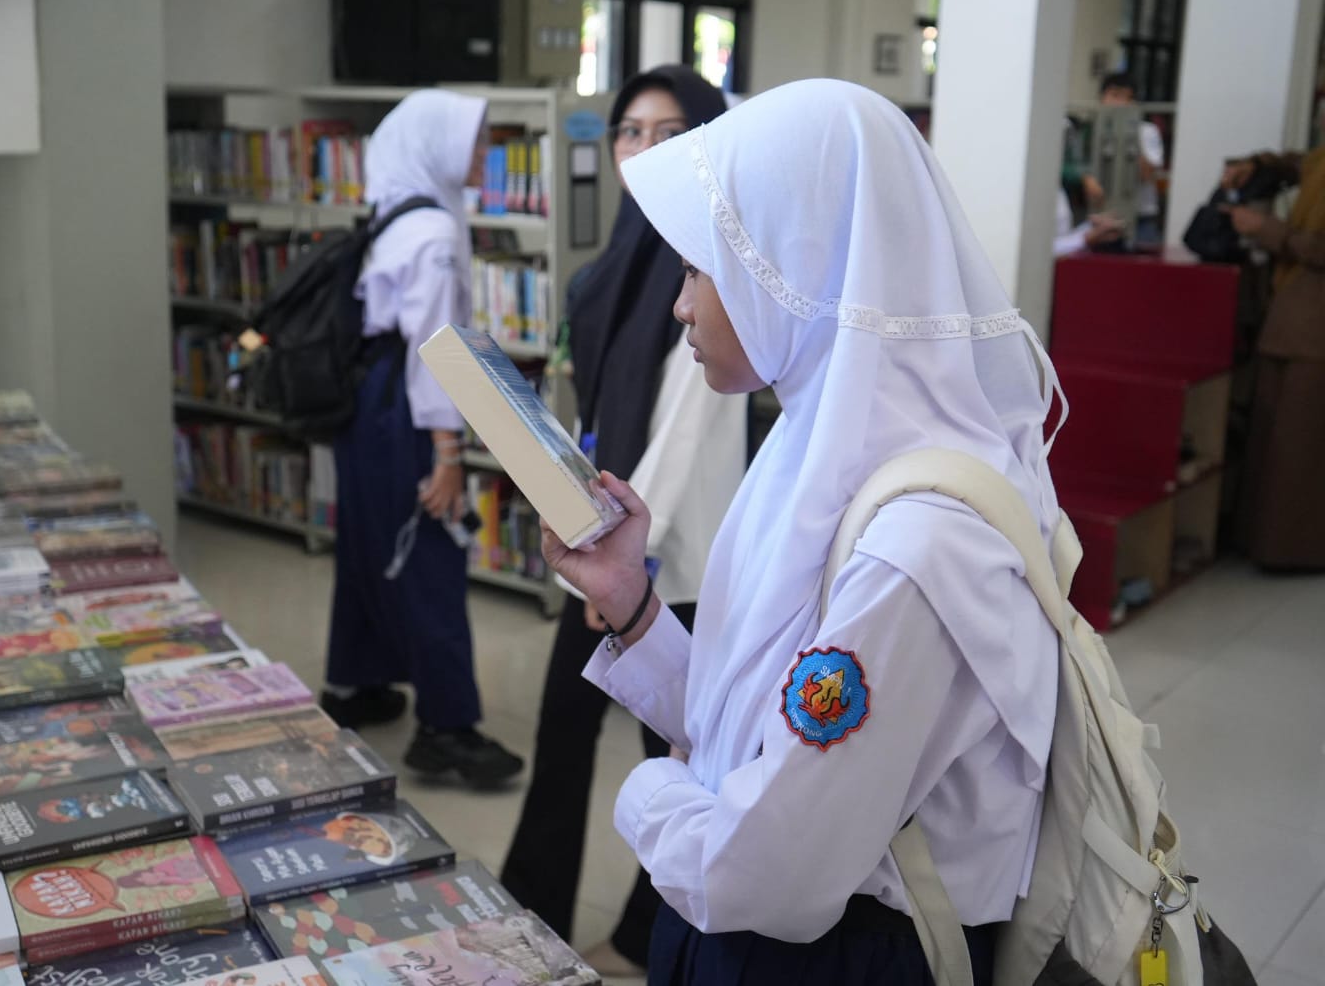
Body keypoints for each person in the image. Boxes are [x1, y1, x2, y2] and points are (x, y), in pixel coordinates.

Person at [540, 80, 1063, 983]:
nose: (681, 305)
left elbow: (765, 875)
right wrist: (632, 605)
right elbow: (751, 729)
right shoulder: (808, 452)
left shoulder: (919, 548)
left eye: (700, 270)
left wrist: (650, 792)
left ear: (794, 269)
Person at [499, 66, 742, 978]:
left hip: (670, 563)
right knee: (564, 732)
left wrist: (626, 568)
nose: (642, 150)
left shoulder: (709, 258)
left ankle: (648, 935)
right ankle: (528, 916)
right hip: (612, 549)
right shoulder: (616, 263)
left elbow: (684, 435)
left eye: (667, 132)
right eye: (629, 131)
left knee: (676, 753)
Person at [321, 89, 524, 787]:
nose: (483, 155)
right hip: (404, 408)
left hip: (366, 406)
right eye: (475, 141)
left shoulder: (394, 211)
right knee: (429, 553)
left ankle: (354, 684)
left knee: (369, 543)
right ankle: (446, 728)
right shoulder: (435, 232)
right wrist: (447, 454)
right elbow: (437, 351)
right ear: (435, 142)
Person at [1225, 148, 1325, 570]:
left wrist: (1267, 230)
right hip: (1291, 321)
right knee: (1271, 438)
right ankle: (1262, 541)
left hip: (1312, 332)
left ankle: (1291, 549)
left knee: (1298, 446)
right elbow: (1305, 164)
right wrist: (1261, 165)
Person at [1085, 72, 1166, 242]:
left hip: (1140, 217)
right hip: (1097, 215)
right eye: (1114, 95)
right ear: (1102, 97)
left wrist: (1131, 133)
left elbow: (1147, 175)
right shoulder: (1090, 128)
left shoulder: (1147, 131)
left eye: (1126, 98)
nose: (1120, 103)